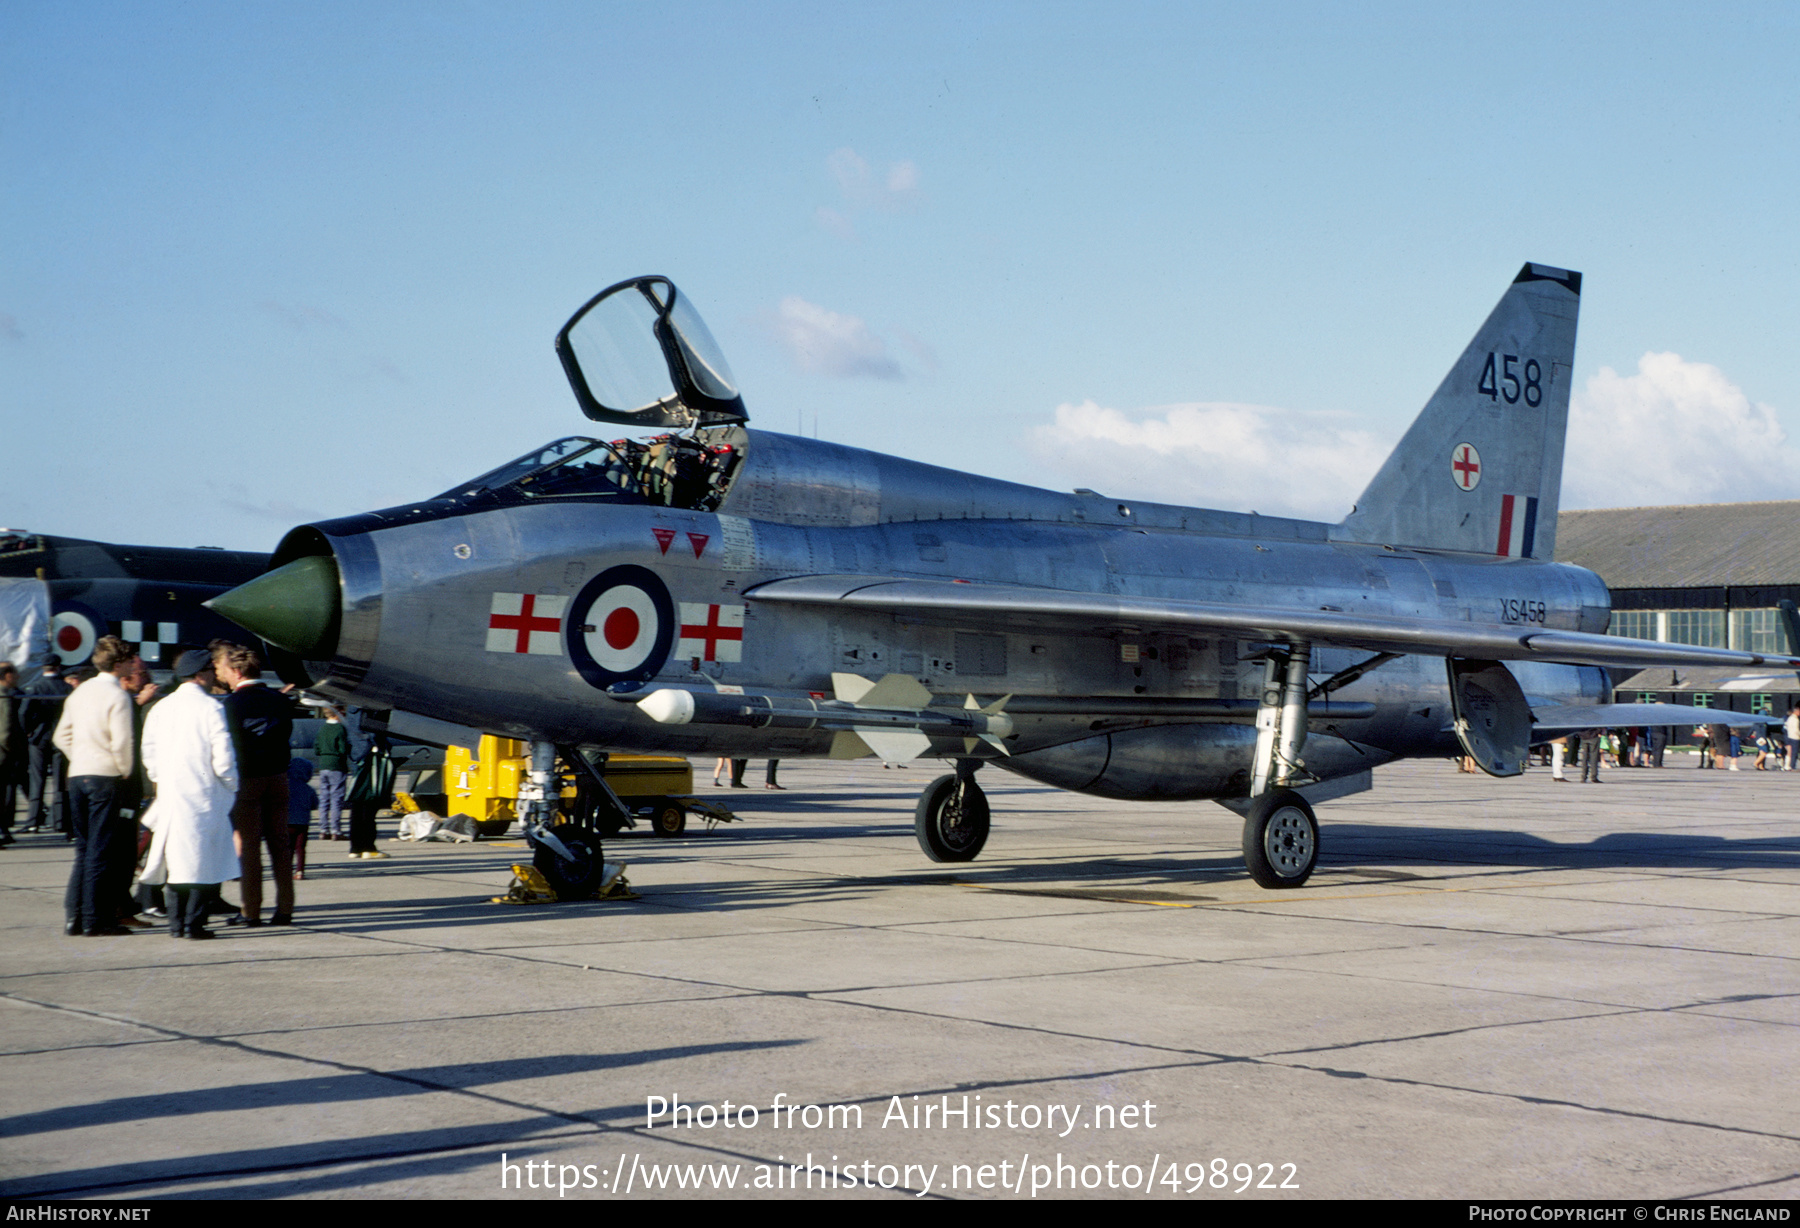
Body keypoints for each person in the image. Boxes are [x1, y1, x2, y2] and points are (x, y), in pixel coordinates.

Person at [140, 650, 239, 940]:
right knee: (203, 862)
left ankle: (175, 924)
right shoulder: (210, 708)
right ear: (200, 674)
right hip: (204, 794)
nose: (214, 676)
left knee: (176, 859)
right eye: (210, 670)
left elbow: (150, 752)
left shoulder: (161, 707)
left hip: (171, 794)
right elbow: (222, 756)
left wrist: (161, 779)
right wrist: (231, 783)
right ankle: (194, 925)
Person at [53, 637, 138, 936]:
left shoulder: (81, 692)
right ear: (118, 664)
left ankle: (74, 916)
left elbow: (61, 736)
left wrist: (81, 757)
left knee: (84, 848)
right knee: (102, 851)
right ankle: (95, 919)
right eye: (130, 661)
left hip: (78, 775)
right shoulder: (118, 696)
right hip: (105, 777)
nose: (133, 665)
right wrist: (125, 770)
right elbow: (123, 741)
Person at [215, 643, 295, 926]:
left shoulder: (232, 704)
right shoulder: (280, 700)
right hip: (278, 777)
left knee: (249, 848)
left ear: (236, 671)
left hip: (248, 779)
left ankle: (251, 910)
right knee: (280, 845)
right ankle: (285, 907)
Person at [20, 660, 70, 833]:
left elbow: (24, 712)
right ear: (57, 667)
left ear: (43, 667)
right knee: (59, 781)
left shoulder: (35, 687)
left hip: (39, 736)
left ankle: (33, 821)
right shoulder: (66, 687)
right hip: (60, 737)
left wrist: (29, 731)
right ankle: (60, 821)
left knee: (37, 779)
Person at [345, 734, 394, 859]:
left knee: (356, 810)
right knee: (369, 811)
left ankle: (355, 848)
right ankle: (368, 847)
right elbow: (374, 737)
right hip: (371, 767)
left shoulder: (351, 717)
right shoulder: (369, 721)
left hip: (357, 766)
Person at [312, 709, 349, 840]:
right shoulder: (340, 729)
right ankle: (336, 830)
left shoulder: (322, 729)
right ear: (338, 714)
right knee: (336, 799)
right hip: (337, 765)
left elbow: (316, 748)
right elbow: (343, 749)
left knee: (324, 798)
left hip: (323, 765)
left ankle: (323, 829)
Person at [0, 663, 21, 844]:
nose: (18, 677)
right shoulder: (5, 695)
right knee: (4, 792)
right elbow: (6, 727)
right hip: (2, 752)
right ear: (7, 676)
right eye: (15, 674)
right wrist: (9, 748)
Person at [287, 757, 317, 878]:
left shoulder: (285, 785)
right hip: (303, 822)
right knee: (300, 847)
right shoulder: (308, 789)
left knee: (288, 847)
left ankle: (286, 870)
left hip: (287, 821)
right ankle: (300, 871)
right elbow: (314, 804)